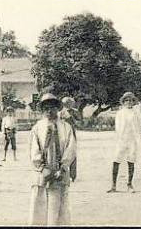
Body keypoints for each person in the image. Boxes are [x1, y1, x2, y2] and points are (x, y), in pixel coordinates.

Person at [28, 93, 76, 226]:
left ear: (57, 109)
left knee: (59, 208)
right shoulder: (37, 128)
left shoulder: (66, 127)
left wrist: (63, 167)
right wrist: (42, 168)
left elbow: (71, 148)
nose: (49, 111)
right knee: (39, 206)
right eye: (46, 108)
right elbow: (34, 149)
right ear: (43, 110)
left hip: (60, 173)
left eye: (53, 107)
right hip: (42, 173)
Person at [107, 91, 141, 193]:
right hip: (121, 139)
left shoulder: (136, 113)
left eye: (131, 100)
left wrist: (138, 138)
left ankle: (129, 184)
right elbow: (117, 127)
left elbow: (140, 126)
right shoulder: (120, 113)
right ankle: (113, 185)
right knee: (116, 160)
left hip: (132, 140)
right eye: (126, 100)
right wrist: (118, 138)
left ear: (133, 102)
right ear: (123, 102)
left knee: (131, 161)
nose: (129, 102)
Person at [59, 96, 80, 181]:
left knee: (72, 153)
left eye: (70, 103)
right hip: (62, 134)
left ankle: (73, 175)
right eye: (67, 103)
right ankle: (62, 174)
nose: (69, 105)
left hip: (72, 134)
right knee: (61, 154)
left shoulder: (75, 112)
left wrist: (73, 117)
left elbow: (78, 121)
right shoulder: (60, 113)